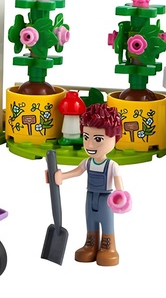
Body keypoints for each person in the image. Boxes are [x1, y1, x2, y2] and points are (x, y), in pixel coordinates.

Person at [53, 103, 131, 266]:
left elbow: (120, 188)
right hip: (90, 197)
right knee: (91, 221)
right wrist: (62, 176)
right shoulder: (88, 162)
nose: (89, 145)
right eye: (86, 137)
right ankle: (91, 244)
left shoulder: (112, 165)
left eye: (98, 139)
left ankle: (108, 246)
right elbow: (77, 171)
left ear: (114, 138)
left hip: (105, 199)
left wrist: (120, 197)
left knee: (107, 223)